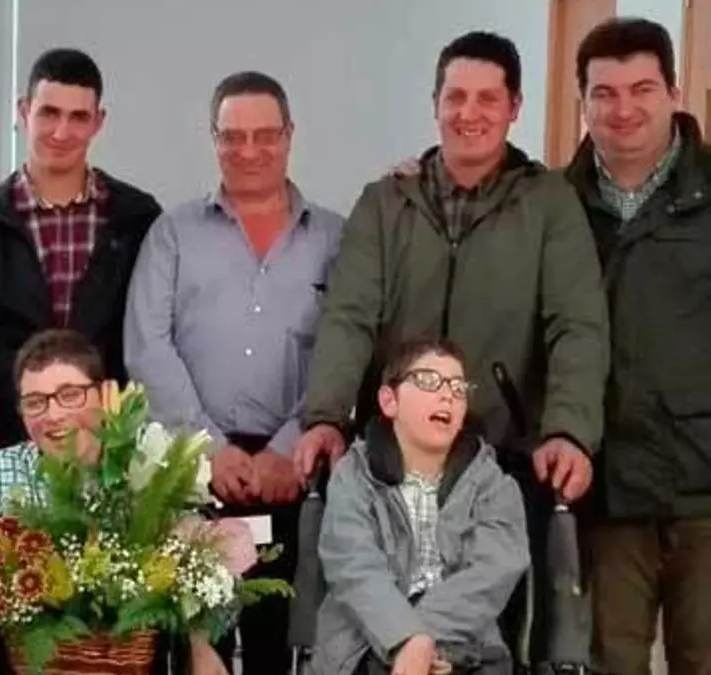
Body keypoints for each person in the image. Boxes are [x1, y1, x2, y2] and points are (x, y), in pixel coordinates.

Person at [293, 31, 609, 669]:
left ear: (515, 107)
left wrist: (569, 430)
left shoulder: (550, 204)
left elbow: (576, 325)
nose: (470, 113)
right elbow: (349, 316)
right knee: (366, 607)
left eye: (488, 98)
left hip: (504, 457)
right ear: (435, 103)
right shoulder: (385, 202)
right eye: (456, 96)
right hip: (391, 461)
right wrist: (325, 415)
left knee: (492, 625)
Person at [124, 71, 343, 675]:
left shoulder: (335, 237)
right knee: (195, 642)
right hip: (191, 473)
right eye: (232, 136)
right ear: (213, 138)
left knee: (280, 638)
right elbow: (147, 346)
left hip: (293, 476)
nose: (249, 150)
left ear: (290, 135)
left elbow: (347, 348)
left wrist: (289, 448)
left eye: (265, 135)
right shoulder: (172, 233)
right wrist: (208, 450)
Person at [0, 328, 228, 675]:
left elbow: (211, 581)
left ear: (104, 396)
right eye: (35, 402)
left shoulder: (149, 466)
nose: (52, 415)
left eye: (69, 395)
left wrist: (199, 643)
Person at [565, 18, 711, 675]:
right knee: (608, 663)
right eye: (605, 92)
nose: (623, 108)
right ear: (583, 102)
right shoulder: (552, 202)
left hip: (704, 491)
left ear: (674, 93)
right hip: (605, 495)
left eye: (642, 89)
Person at [0, 47, 162, 471]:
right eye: (49, 113)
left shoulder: (136, 218)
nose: (61, 132)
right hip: (10, 434)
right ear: (24, 112)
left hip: (110, 437)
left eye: (78, 117)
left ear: (98, 122)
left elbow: (148, 334)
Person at [314, 339, 529, 675]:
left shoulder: (494, 485)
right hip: (366, 647)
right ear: (389, 400)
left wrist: (423, 640)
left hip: (464, 650)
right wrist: (405, 638)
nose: (448, 396)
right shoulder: (353, 475)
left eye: (458, 388)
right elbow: (354, 567)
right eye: (429, 381)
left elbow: (492, 572)